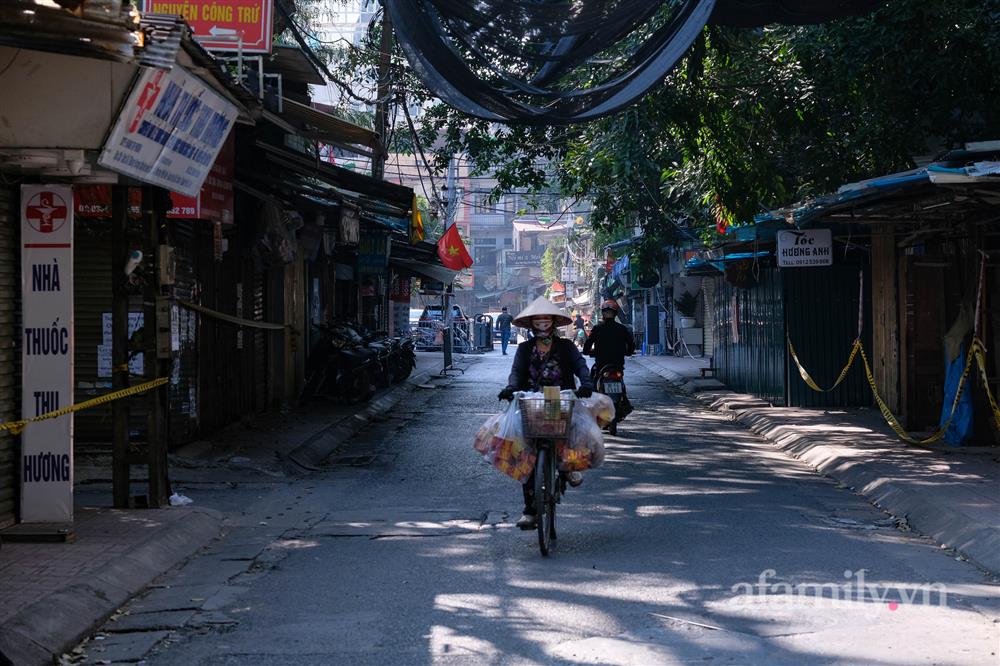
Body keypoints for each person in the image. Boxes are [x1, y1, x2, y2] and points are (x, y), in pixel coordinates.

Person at [497, 297, 594, 530]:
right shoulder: (524, 349)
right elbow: (516, 372)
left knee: (571, 430)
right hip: (530, 400)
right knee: (526, 454)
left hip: (560, 398)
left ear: (553, 323)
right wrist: (511, 388)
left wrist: (587, 383)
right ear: (532, 324)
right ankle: (530, 511)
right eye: (538, 321)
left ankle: (569, 466)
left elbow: (580, 365)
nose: (542, 325)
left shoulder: (566, 347)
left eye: (546, 320)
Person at [583, 299, 636, 414]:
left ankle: (592, 401)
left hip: (601, 364)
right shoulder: (622, 329)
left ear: (603, 314)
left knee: (593, 378)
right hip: (617, 364)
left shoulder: (597, 328)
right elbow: (631, 345)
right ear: (615, 314)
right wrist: (628, 352)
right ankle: (625, 401)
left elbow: (587, 346)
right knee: (620, 379)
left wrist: (588, 352)